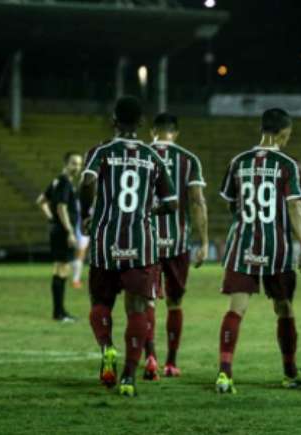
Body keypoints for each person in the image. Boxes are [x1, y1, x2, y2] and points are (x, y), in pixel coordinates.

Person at [80, 96, 178, 396]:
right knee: (137, 309)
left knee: (100, 304)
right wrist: (148, 212)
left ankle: (107, 348)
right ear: (141, 124)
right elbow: (172, 203)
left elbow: (86, 183)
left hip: (106, 241)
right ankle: (128, 377)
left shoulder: (101, 151)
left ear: (113, 121)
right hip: (141, 244)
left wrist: (89, 214)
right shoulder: (153, 156)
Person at [214, 108, 301, 394]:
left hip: (242, 244)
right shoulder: (288, 164)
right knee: (284, 308)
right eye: (288, 135)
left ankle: (224, 374)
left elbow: (231, 202)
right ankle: (290, 371)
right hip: (276, 248)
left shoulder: (238, 161)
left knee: (237, 309)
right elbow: (295, 205)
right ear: (283, 132)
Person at [141, 113, 209, 380]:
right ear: (175, 133)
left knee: (147, 301)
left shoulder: (141, 155)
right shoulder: (188, 158)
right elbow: (197, 202)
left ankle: (150, 358)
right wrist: (203, 242)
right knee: (174, 302)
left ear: (152, 131)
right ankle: (170, 363)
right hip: (178, 241)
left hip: (145, 240)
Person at [36, 152, 83, 322]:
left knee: (60, 269)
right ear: (66, 163)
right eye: (73, 163)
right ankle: (60, 313)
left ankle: (59, 311)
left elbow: (41, 200)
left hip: (58, 229)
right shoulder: (64, 183)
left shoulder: (57, 181)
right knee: (62, 270)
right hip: (63, 232)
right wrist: (69, 231)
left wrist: (51, 219)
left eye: (79, 164)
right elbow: (62, 208)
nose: (77, 167)